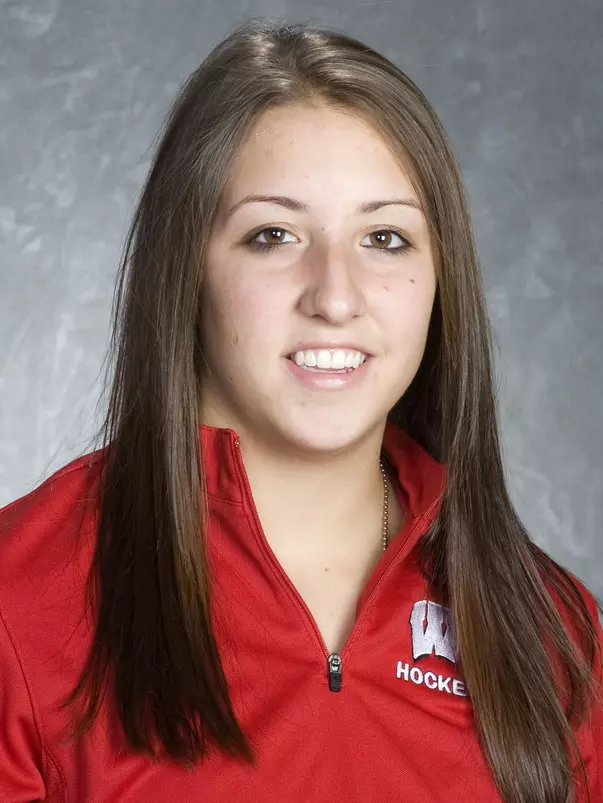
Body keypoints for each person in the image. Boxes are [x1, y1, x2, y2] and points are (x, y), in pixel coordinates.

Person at [0, 17, 601, 803]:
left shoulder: (551, 632)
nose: (336, 296)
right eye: (273, 234)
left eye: (385, 237)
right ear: (186, 269)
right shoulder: (21, 599)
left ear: (438, 281)